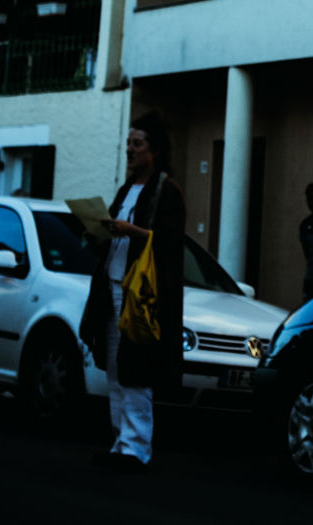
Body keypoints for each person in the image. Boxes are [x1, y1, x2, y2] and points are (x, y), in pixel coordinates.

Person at [79, 111, 186, 472]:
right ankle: (120, 442)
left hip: (140, 295)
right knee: (114, 369)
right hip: (111, 288)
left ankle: (136, 449)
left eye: (137, 144)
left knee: (136, 370)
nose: (129, 150)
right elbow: (113, 236)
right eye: (128, 143)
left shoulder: (166, 192)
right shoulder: (126, 190)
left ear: (154, 150)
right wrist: (98, 231)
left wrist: (130, 230)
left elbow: (170, 243)